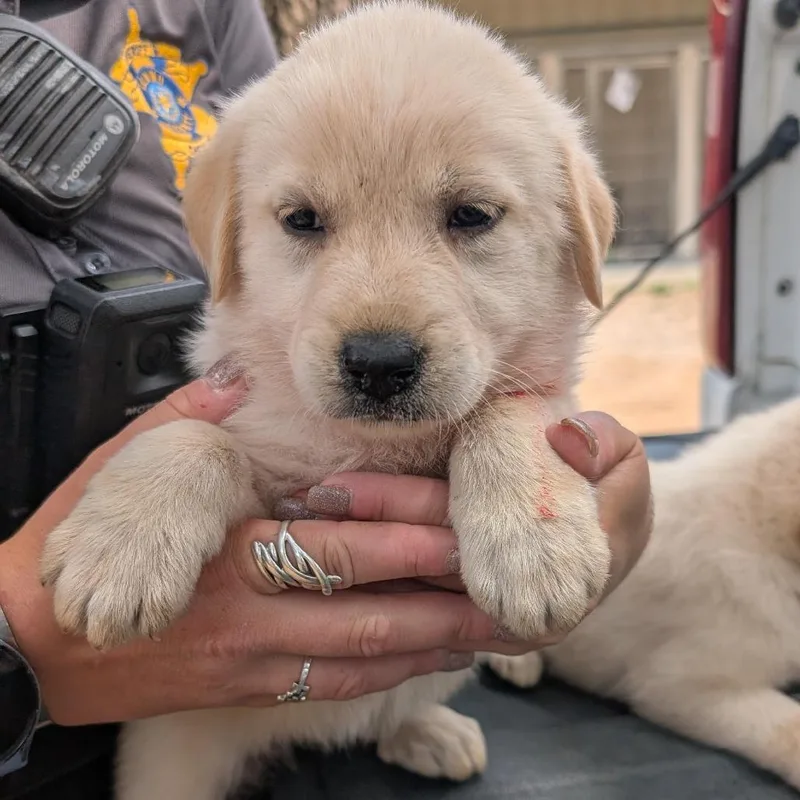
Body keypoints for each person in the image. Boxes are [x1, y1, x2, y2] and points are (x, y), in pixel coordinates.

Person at [0, 1, 652, 798]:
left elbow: (546, 437)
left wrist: (537, 464)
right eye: (305, 219)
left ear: (573, 232)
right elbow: (218, 428)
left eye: (469, 216)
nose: (379, 329)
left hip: (411, 675)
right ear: (226, 236)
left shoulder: (208, 13)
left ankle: (400, 715)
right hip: (152, 710)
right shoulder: (250, 181)